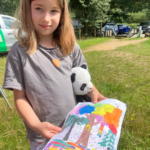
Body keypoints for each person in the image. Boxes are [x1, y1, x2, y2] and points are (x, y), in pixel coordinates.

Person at [3, 0, 106, 149]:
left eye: (54, 11)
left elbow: (81, 79)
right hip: (43, 136)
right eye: (39, 8)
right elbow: (20, 98)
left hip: (75, 128)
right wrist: (36, 125)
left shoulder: (70, 46)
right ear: (27, 9)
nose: (46, 18)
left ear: (62, 13)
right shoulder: (18, 52)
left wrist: (94, 92)